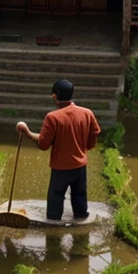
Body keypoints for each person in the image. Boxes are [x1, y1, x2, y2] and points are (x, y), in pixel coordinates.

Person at [16, 79, 102, 221]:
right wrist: (84, 148)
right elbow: (94, 135)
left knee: (54, 209)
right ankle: (81, 236)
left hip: (60, 169)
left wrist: (27, 133)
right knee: (80, 206)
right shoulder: (87, 113)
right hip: (80, 167)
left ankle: (53, 237)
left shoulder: (53, 117)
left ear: (54, 96)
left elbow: (43, 145)